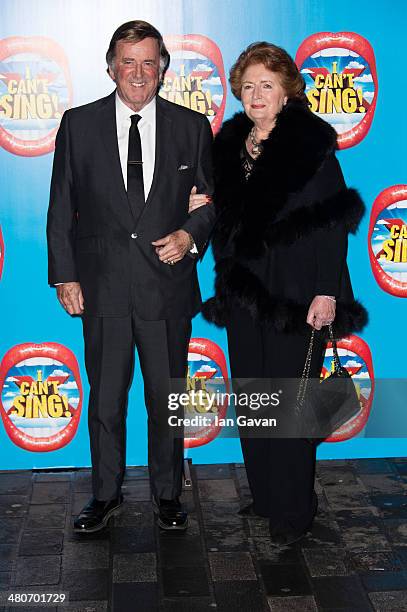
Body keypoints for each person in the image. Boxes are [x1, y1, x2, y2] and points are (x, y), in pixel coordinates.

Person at [189, 42, 367, 545]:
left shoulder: (310, 142)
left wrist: (325, 292)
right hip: (245, 293)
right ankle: (267, 495)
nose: (256, 94)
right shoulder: (228, 146)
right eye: (247, 85)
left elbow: (333, 223)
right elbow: (226, 216)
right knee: (256, 400)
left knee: (293, 405)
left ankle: (294, 512)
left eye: (267, 84)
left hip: (297, 295)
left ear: (288, 90)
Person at [47, 20, 215, 533]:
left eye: (149, 62)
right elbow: (60, 209)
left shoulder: (193, 126)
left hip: (166, 288)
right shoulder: (78, 124)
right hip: (103, 289)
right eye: (128, 61)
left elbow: (210, 204)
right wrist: (65, 276)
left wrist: (189, 236)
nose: (138, 73)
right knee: (106, 399)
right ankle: (105, 494)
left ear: (162, 68)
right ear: (110, 66)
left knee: (165, 399)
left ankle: (167, 495)